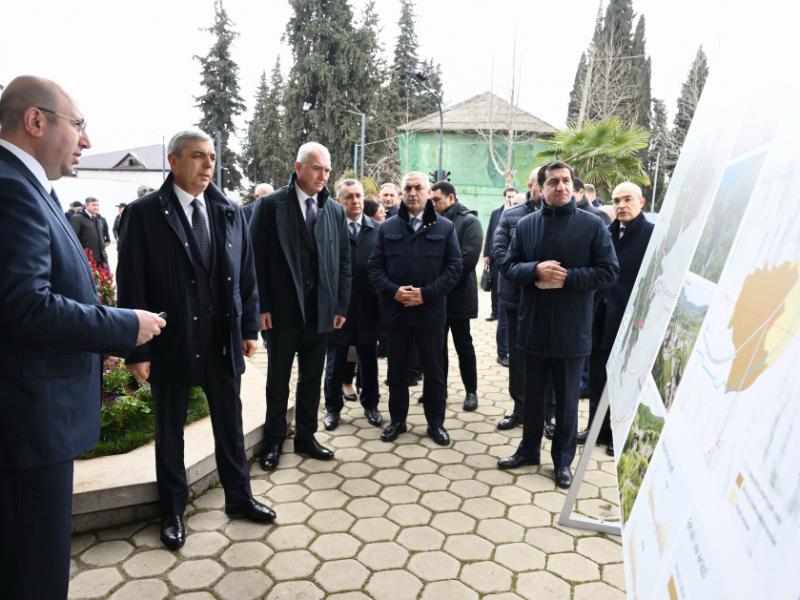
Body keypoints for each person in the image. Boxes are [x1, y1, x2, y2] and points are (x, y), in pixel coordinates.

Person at [0, 75, 164, 600]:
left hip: (36, 425)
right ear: (35, 121)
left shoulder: (27, 186)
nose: (86, 141)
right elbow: (26, 306)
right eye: (78, 125)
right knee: (33, 574)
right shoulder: (10, 188)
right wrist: (124, 325)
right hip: (30, 427)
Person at [117, 128, 275, 552]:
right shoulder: (144, 214)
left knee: (230, 424)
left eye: (211, 157)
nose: (208, 165)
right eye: (198, 156)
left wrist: (248, 328)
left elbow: (247, 274)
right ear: (173, 161)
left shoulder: (229, 211)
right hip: (171, 341)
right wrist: (138, 348)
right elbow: (131, 283)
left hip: (222, 339)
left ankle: (239, 498)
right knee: (170, 431)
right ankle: (172, 510)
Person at [498, 161, 618, 488]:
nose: (561, 186)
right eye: (553, 181)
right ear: (541, 188)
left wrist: (569, 278)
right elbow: (508, 265)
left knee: (566, 403)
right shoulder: (526, 225)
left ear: (573, 186)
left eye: (566, 180)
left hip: (571, 330)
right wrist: (534, 270)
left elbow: (609, 271)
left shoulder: (593, 225)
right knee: (532, 398)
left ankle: (562, 461)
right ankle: (528, 450)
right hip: (533, 326)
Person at [249, 142, 351, 471]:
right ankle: (274, 440)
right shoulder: (270, 206)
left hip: (321, 313)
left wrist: (341, 306)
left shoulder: (334, 210)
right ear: (298, 168)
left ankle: (306, 436)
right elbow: (253, 260)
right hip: (281, 313)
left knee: (311, 379)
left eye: (327, 170)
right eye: (317, 168)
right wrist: (261, 306)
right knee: (278, 382)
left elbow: (344, 262)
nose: (323, 176)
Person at [368, 171, 462, 446]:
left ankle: (436, 423)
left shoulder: (445, 228)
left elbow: (454, 267)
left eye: (417, 187)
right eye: (407, 188)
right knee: (396, 371)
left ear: (428, 192)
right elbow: (375, 267)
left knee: (434, 370)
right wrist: (394, 291)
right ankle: (397, 420)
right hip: (396, 313)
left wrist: (426, 294)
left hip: (430, 313)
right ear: (401, 193)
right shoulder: (387, 228)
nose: (412, 193)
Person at [577, 182, 654, 455]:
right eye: (617, 200)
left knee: (625, 380)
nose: (621, 205)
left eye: (627, 199)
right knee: (598, 375)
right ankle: (596, 429)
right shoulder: (606, 232)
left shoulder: (652, 235)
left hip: (631, 321)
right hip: (600, 317)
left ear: (641, 202)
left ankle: (618, 434)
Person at [323, 179, 383, 430]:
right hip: (339, 309)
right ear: (339, 201)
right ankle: (332, 409)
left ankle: (371, 405)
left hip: (369, 307)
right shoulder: (329, 230)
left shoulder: (378, 230)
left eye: (358, 196)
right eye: (348, 197)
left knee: (368, 360)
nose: (355, 201)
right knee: (335, 361)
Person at [492, 167, 541, 431]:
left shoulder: (567, 218)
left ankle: (548, 413)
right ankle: (520, 409)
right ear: (531, 185)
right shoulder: (511, 215)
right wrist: (533, 273)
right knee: (518, 358)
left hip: (550, 303)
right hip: (516, 299)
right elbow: (500, 254)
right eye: (542, 182)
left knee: (548, 359)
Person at [430, 180, 483, 411]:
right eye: (431, 200)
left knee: (464, 345)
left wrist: (438, 280)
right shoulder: (431, 220)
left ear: (451, 198)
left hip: (459, 296)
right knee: (437, 347)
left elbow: (467, 260)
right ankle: (438, 391)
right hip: (436, 297)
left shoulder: (470, 221)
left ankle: (471, 391)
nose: (433, 204)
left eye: (437, 200)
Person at [70, 195, 109, 267]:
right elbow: (72, 240)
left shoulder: (98, 218)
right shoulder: (77, 218)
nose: (96, 207)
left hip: (101, 258)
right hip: (87, 260)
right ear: (86, 206)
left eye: (97, 205)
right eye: (93, 205)